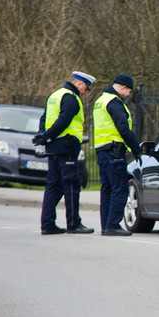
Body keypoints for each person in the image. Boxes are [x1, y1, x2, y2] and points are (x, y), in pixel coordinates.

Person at [33, 71, 96, 235]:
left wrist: (44, 136)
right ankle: (74, 224)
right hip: (66, 146)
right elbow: (64, 120)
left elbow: (44, 118)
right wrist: (46, 136)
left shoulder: (55, 95)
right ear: (80, 84)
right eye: (86, 88)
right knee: (71, 185)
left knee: (53, 185)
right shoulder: (71, 98)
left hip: (53, 148)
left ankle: (47, 224)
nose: (85, 92)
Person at [93, 74, 143, 236]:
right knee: (120, 189)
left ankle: (106, 225)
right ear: (123, 87)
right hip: (114, 151)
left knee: (107, 190)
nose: (128, 94)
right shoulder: (114, 102)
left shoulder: (101, 100)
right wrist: (137, 150)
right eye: (129, 91)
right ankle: (113, 225)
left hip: (102, 150)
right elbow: (123, 128)